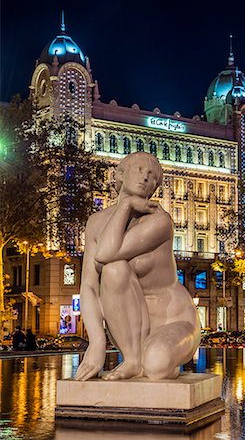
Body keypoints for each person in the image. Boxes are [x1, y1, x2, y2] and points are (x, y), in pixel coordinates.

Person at [75, 152, 200, 381]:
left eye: (152, 176)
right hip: (129, 331)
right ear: (120, 174)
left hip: (174, 321)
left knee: (156, 365)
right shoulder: (95, 222)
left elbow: (105, 253)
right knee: (114, 270)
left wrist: (126, 205)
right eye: (139, 169)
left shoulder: (159, 220)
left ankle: (157, 358)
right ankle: (132, 360)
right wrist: (96, 344)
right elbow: (90, 288)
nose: (145, 178)